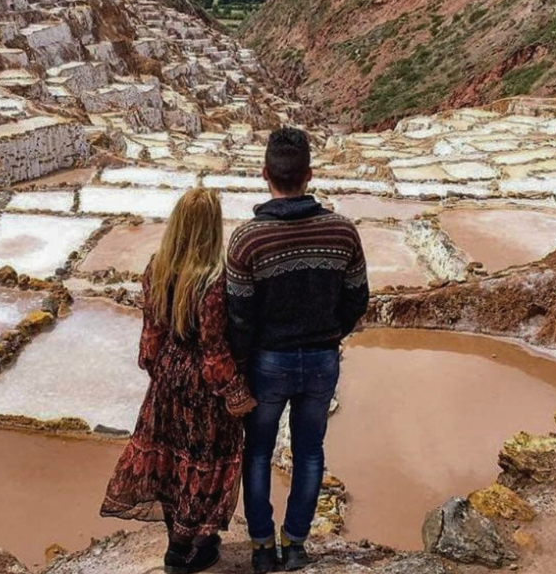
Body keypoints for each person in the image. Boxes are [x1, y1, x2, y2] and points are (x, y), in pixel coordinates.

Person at [227, 127, 370, 573]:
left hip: (269, 362)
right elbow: (357, 299)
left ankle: (261, 548)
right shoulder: (342, 232)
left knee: (258, 452)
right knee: (309, 452)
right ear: (309, 175)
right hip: (322, 360)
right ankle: (296, 545)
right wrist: (331, 335)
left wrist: (244, 365)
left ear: (265, 173)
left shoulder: (248, 240)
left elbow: (238, 317)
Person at [101, 187, 259, 574]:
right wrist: (237, 395)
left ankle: (177, 546)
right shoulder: (213, 280)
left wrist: (160, 372)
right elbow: (213, 351)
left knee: (170, 460)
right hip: (202, 391)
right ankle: (195, 547)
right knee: (205, 463)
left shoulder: (157, 268)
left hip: (168, 380)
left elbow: (151, 336)